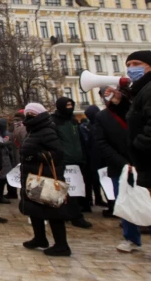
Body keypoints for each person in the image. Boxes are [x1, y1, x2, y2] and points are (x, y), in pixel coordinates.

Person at [95, 86, 151, 253]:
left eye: (112, 93)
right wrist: (123, 163)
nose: (109, 97)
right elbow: (102, 143)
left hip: (143, 165)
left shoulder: (134, 111)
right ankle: (131, 238)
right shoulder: (101, 117)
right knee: (125, 203)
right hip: (120, 168)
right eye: (105, 95)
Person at [106, 51, 151, 230]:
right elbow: (137, 120)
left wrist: (137, 147)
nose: (131, 68)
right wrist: (120, 103)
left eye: (136, 63)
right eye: (128, 65)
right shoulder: (143, 89)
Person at [19, 103, 72, 257]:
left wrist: (36, 156)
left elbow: (57, 153)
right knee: (34, 208)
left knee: (53, 210)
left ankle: (62, 245)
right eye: (27, 113)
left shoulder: (47, 130)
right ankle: (40, 238)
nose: (28, 116)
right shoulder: (33, 130)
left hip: (47, 176)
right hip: (34, 176)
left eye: (32, 113)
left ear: (39, 115)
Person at [52, 97, 92, 229]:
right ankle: (72, 215)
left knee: (76, 190)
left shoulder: (74, 121)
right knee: (65, 191)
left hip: (77, 160)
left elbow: (79, 140)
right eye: (67, 105)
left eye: (71, 104)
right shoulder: (54, 122)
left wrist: (83, 156)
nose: (69, 107)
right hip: (64, 161)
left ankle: (75, 214)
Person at [79, 105, 105, 211]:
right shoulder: (88, 127)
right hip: (92, 158)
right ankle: (91, 200)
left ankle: (95, 199)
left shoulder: (90, 127)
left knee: (96, 180)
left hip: (92, 158)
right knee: (93, 180)